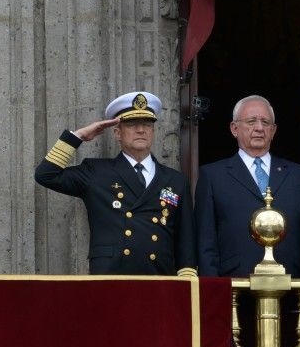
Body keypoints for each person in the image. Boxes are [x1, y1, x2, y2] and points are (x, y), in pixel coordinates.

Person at [35, 91, 195, 275]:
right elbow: (46, 175)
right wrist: (78, 136)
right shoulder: (96, 171)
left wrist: (187, 280)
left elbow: (186, 240)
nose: (141, 130)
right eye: (132, 124)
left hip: (159, 277)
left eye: (147, 124)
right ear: (117, 133)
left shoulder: (175, 180)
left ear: (153, 131)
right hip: (111, 277)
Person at [195, 95, 300, 277]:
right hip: (235, 284)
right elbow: (205, 240)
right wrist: (212, 289)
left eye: (265, 122)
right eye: (251, 121)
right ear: (234, 128)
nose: (259, 128)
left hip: (291, 281)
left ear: (273, 130)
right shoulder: (212, 175)